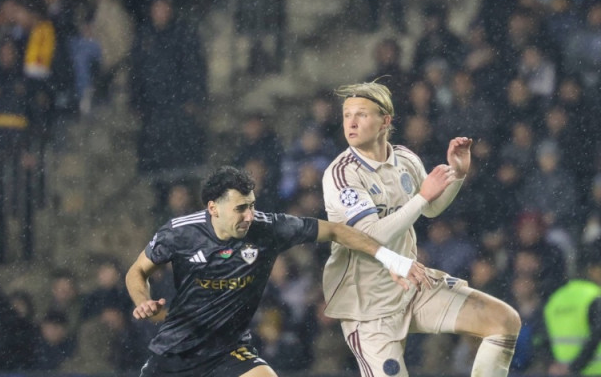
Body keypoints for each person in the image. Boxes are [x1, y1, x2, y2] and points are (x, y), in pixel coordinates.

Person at [126, 165, 437, 377]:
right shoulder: (179, 233)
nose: (250, 215)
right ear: (213, 208)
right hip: (176, 352)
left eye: (251, 204)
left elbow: (336, 231)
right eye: (240, 208)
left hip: (228, 350)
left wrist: (391, 258)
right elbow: (136, 271)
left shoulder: (269, 228)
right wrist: (143, 300)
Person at [321, 80, 521, 377]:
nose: (351, 122)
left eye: (361, 114)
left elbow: (431, 208)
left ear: (385, 121)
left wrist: (457, 175)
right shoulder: (342, 174)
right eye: (347, 115)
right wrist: (422, 196)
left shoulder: (404, 158)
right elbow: (370, 237)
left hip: (412, 287)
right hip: (367, 307)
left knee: (503, 321)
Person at [544, 252, 601, 375]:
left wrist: (551, 364)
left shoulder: (555, 299)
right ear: (592, 270)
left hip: (562, 372)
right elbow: (597, 335)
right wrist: (576, 365)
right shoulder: (595, 296)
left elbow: (542, 338)